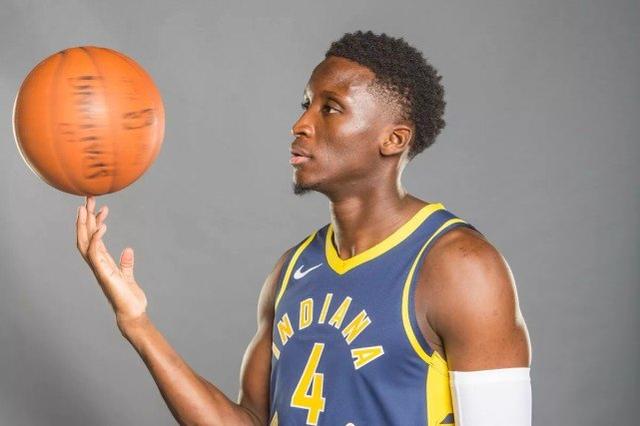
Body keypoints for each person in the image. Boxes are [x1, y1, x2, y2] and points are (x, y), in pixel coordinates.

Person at [76, 31, 531, 426]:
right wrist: (137, 323)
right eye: (306, 104)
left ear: (393, 139)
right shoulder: (291, 270)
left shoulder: (460, 268)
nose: (300, 124)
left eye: (330, 108)